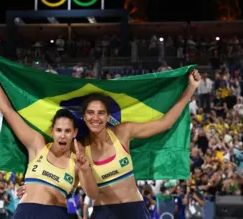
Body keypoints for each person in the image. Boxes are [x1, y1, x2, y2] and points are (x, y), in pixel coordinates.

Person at [18, 69, 201, 218]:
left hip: (134, 210)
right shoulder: (79, 147)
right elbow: (59, 173)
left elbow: (165, 123)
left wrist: (190, 88)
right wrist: (31, 188)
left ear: (108, 117)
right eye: (90, 113)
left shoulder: (123, 132)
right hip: (103, 213)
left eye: (101, 113)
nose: (95, 118)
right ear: (84, 117)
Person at [0, 51, 98, 219]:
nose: (62, 135)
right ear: (52, 131)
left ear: (74, 133)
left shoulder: (78, 161)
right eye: (59, 130)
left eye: (67, 131)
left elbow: (92, 194)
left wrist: (85, 169)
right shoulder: (37, 145)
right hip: (25, 213)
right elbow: (7, 110)